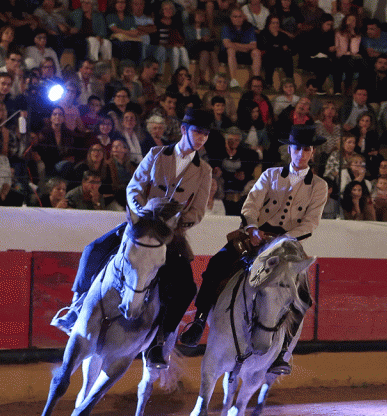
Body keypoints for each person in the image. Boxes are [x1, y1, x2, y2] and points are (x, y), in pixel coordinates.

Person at [51, 108, 215, 370]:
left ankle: (160, 340)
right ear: (184, 130)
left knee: (186, 288)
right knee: (93, 249)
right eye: (198, 132)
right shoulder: (156, 155)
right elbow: (134, 188)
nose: (202, 138)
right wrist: (140, 214)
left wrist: (175, 224)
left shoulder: (203, 170)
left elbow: (197, 211)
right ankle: (75, 307)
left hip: (171, 235)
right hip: (140, 225)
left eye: (206, 135)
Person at [180, 125, 328, 375]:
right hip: (255, 236)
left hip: (288, 246)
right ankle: (199, 320)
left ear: (312, 152)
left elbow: (310, 223)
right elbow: (251, 205)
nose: (301, 154)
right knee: (217, 264)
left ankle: (282, 353)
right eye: (297, 148)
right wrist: (252, 228)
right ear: (289, 149)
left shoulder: (319, 186)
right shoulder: (270, 175)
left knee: (302, 296)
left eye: (306, 149)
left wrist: (281, 240)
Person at [221, 7, 262, 88]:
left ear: (243, 17)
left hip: (246, 54)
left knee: (256, 52)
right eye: (235, 17)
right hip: (228, 55)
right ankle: (233, 80)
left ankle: (255, 81)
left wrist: (236, 45)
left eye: (240, 16)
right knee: (230, 50)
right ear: (231, 18)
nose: (237, 19)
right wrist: (245, 47)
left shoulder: (249, 27)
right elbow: (227, 44)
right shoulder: (226, 27)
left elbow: (254, 46)